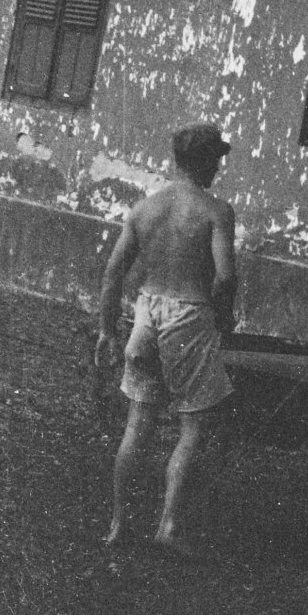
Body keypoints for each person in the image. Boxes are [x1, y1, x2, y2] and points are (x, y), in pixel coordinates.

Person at [95, 122, 237, 559]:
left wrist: (106, 330)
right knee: (194, 426)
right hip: (189, 316)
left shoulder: (145, 208)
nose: (218, 167)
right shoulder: (216, 211)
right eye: (216, 160)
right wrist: (223, 318)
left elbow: (113, 274)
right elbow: (225, 277)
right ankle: (168, 526)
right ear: (207, 162)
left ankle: (119, 524)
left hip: (146, 313)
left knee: (137, 424)